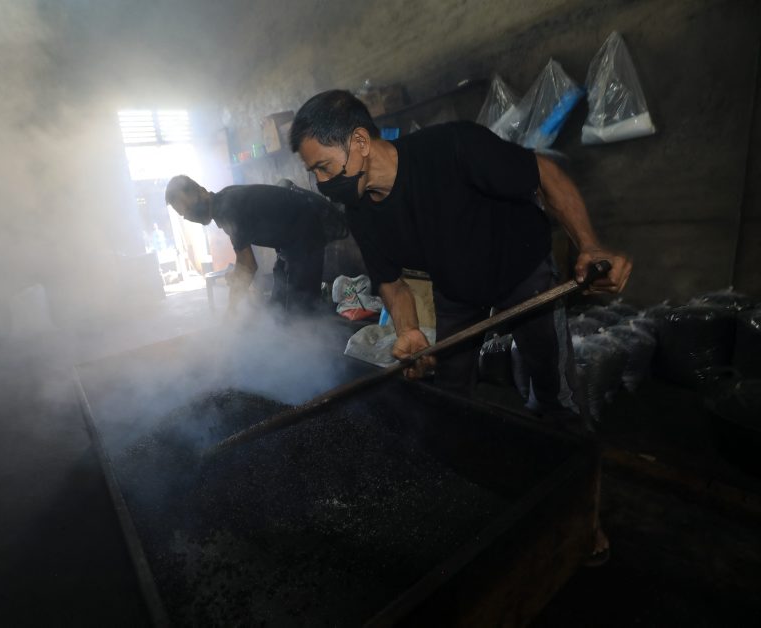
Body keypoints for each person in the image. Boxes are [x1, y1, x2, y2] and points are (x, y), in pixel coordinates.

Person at [290, 89, 632, 565]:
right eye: (315, 174)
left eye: (324, 167)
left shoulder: (452, 147)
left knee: (556, 393)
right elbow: (390, 283)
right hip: (456, 288)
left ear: (360, 142)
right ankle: (458, 502)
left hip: (522, 271)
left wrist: (589, 245)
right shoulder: (362, 212)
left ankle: (583, 517)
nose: (322, 182)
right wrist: (408, 331)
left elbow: (545, 173)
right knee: (448, 395)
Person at [164, 175, 347, 315]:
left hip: (309, 232)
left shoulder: (227, 209)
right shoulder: (224, 200)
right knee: (277, 307)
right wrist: (237, 275)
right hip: (291, 244)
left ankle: (316, 345)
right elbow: (243, 260)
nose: (189, 216)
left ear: (202, 191)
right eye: (184, 214)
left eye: (189, 208)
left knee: (300, 312)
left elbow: (248, 266)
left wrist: (231, 310)